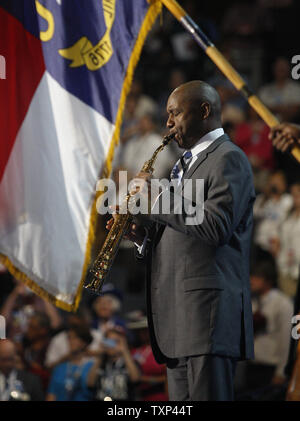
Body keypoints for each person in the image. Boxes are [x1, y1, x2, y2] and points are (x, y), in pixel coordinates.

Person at [107, 80, 256, 401]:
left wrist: (156, 195)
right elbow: (185, 231)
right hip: (177, 319)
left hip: (207, 319)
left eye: (174, 113)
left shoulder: (229, 158)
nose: (168, 123)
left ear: (204, 110)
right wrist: (143, 238)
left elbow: (216, 226)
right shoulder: (181, 165)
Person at [246, 260, 293, 391]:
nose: (251, 280)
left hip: (270, 368)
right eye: (251, 276)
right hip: (251, 365)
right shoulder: (252, 300)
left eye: (257, 277)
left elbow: (286, 340)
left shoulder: (283, 304)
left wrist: (281, 372)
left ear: (268, 280)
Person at [87, 325, 141, 401]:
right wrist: (100, 355)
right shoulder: (102, 363)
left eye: (115, 341)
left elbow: (136, 380)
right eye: (108, 341)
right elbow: (90, 383)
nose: (111, 345)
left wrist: (125, 351)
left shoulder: (130, 362)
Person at [46, 325, 94, 401]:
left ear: (84, 342)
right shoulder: (60, 367)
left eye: (74, 338)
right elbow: (51, 394)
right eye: (69, 338)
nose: (70, 341)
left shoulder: (91, 367)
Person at [129, 316, 168, 401]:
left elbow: (168, 376)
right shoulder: (133, 351)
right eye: (140, 330)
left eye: (146, 330)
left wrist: (147, 379)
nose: (143, 333)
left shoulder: (160, 351)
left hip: (159, 396)